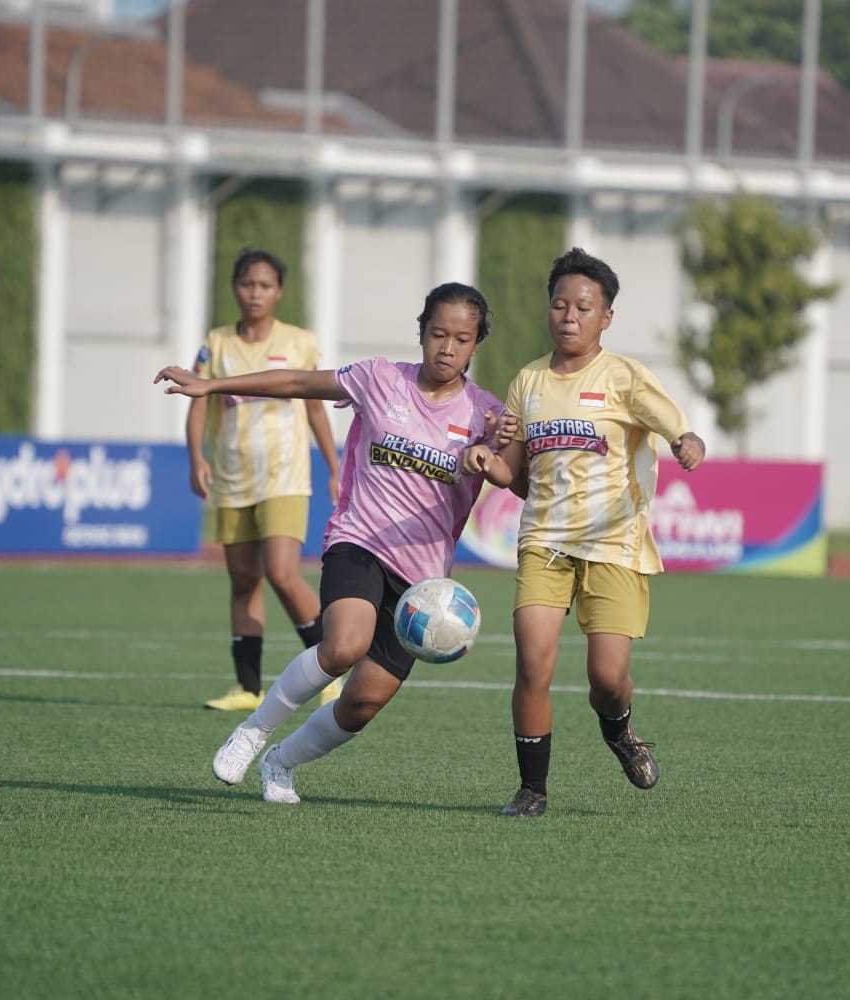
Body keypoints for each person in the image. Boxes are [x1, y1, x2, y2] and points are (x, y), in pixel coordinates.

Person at [155, 281, 508, 804]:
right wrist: (211, 386)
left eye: (462, 338)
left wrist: (490, 458)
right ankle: (254, 731)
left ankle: (282, 763)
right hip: (359, 541)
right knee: (344, 644)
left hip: (423, 584)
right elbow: (297, 379)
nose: (447, 347)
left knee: (364, 702)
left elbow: (511, 477)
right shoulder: (379, 379)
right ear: (421, 333)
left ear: (477, 344)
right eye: (438, 334)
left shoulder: (487, 415)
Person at [468, 247, 707, 818]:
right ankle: (532, 789)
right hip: (544, 541)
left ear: (606, 317)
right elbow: (514, 472)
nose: (569, 316)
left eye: (583, 306)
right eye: (559, 304)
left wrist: (685, 441)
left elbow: (672, 423)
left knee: (607, 677)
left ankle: (619, 729)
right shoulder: (527, 380)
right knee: (533, 664)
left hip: (613, 543)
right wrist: (486, 458)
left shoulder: (623, 376)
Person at [183, 248, 341, 712]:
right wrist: (196, 457)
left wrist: (334, 467)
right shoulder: (216, 343)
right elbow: (198, 404)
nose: (255, 293)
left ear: (280, 291)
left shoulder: (299, 342)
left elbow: (315, 407)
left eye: (265, 285)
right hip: (233, 478)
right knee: (242, 580)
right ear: (235, 287)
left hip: (285, 476)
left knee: (282, 572)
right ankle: (247, 688)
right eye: (247, 284)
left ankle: (329, 671)